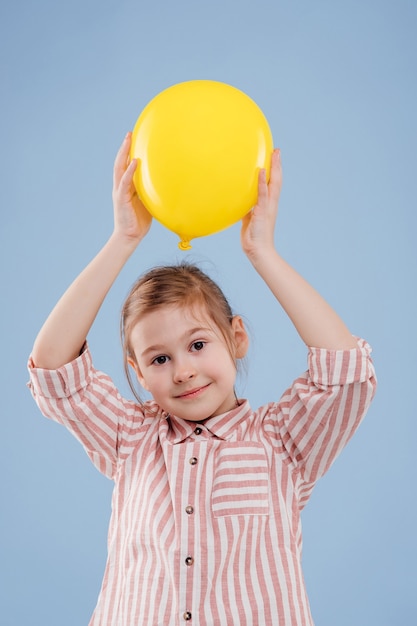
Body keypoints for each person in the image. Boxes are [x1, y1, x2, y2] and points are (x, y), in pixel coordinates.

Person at [28, 132, 377, 626]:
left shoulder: (283, 442)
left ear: (236, 338)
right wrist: (123, 238)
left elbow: (345, 374)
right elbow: (54, 369)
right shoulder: (130, 439)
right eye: (158, 359)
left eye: (197, 345)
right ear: (138, 372)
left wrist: (262, 252)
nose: (184, 370)